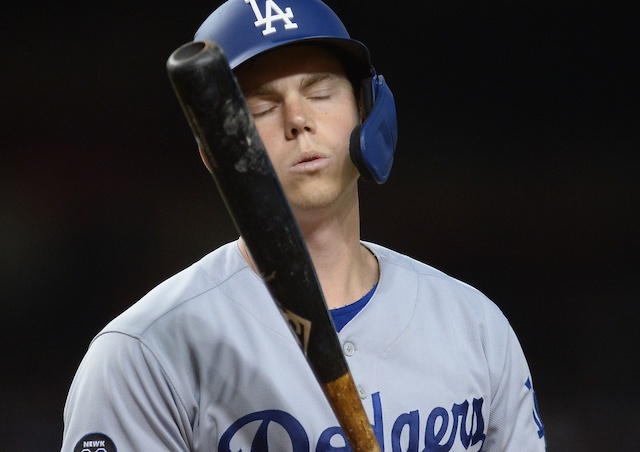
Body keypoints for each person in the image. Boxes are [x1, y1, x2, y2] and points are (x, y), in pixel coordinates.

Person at [61, 0, 546, 450]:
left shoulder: (474, 326)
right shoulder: (144, 352)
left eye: (319, 91)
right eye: (261, 108)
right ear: (213, 151)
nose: (297, 118)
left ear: (367, 110)